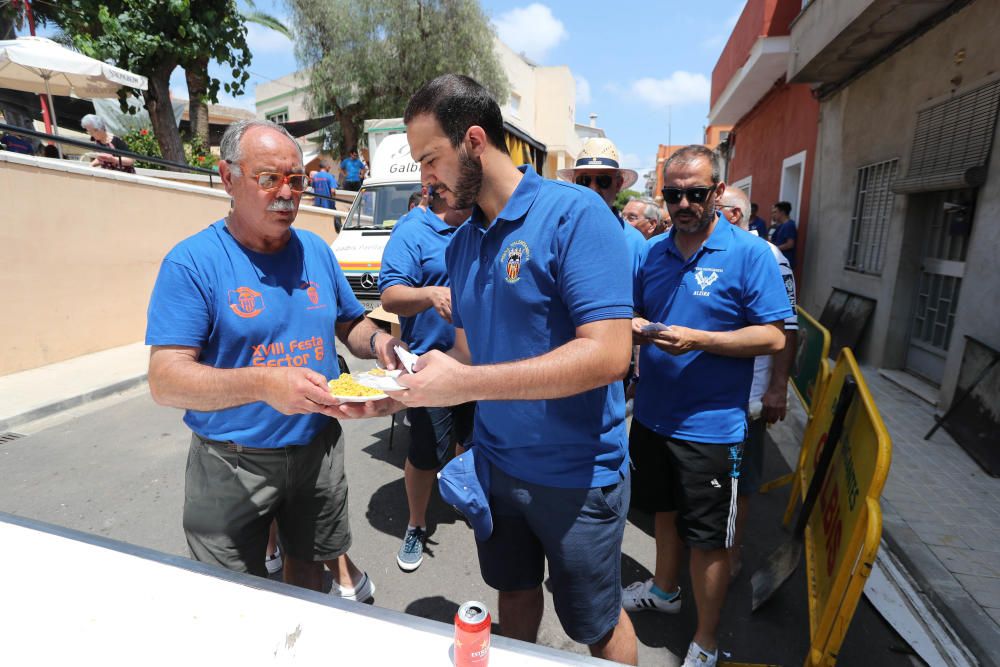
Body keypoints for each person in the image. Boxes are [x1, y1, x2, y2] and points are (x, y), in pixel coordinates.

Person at [396, 74, 638, 664]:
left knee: (597, 626)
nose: (425, 179)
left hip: (578, 477)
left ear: (474, 140)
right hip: (498, 469)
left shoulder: (574, 215)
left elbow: (609, 353)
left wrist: (467, 383)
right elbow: (469, 355)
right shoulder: (461, 244)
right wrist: (399, 390)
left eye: (431, 158)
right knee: (514, 593)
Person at [145, 119, 403, 602]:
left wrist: (384, 345)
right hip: (231, 464)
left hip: (317, 450)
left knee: (307, 574)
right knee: (233, 596)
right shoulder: (193, 262)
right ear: (228, 178)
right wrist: (264, 384)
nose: (287, 193)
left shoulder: (315, 251)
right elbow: (165, 380)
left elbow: (349, 322)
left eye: (297, 180)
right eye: (269, 179)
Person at [625, 145, 792, 667]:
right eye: (673, 194)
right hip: (652, 418)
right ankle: (666, 592)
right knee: (664, 517)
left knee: (712, 542)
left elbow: (773, 335)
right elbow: (633, 311)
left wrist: (701, 340)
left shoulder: (749, 254)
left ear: (717, 192)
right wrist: (634, 327)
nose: (683, 204)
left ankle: (706, 640)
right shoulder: (653, 252)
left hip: (712, 429)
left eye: (695, 193)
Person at [379, 188, 474, 572]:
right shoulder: (412, 230)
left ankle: (465, 498)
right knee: (424, 452)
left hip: (477, 365)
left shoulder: (480, 227)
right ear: (443, 192)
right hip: (429, 365)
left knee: (468, 441)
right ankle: (417, 523)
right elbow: (390, 296)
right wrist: (430, 294)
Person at [718, 186, 798, 578]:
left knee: (738, 482)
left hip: (746, 401)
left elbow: (789, 328)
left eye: (712, 207)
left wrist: (777, 388)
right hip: (711, 397)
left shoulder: (770, 256)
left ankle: (732, 555)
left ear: (733, 215)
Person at [556, 137, 648, 280]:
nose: (593, 188)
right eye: (584, 181)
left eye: (603, 180)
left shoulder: (636, 244)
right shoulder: (557, 235)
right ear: (574, 183)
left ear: (618, 184)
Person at [769, 201, 797, 269]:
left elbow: (790, 244)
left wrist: (774, 249)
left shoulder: (789, 225)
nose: (773, 215)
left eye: (775, 212)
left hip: (785, 263)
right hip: (778, 261)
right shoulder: (780, 226)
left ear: (782, 212)